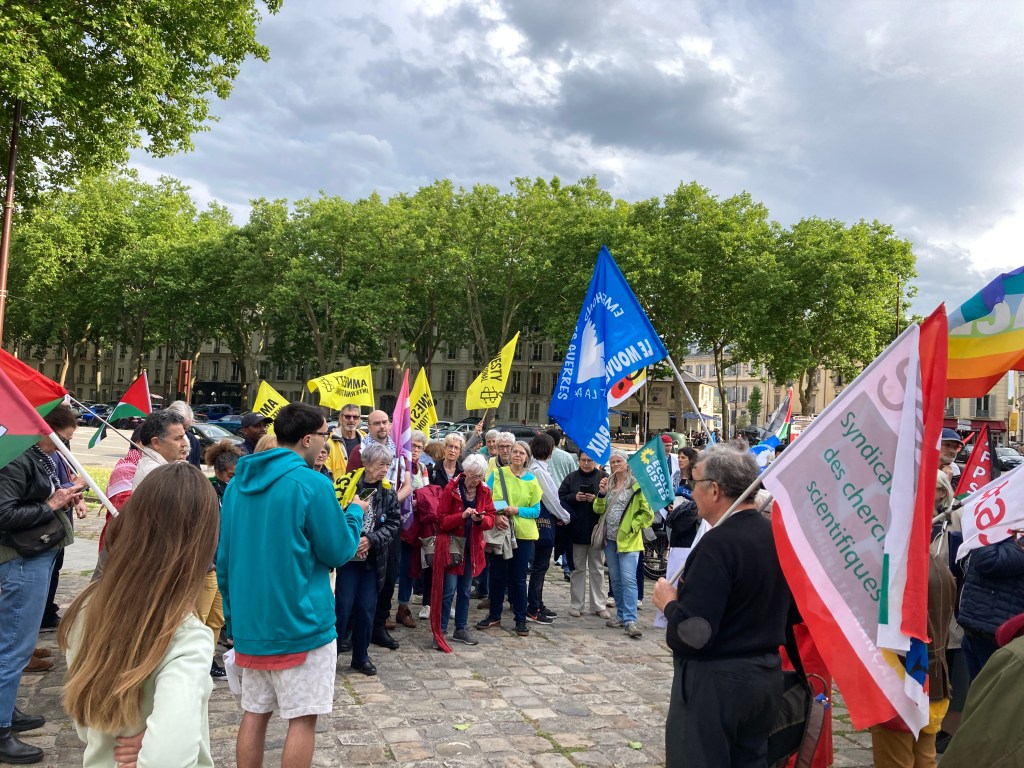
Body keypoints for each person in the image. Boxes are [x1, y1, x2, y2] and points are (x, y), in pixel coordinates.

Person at [217, 402, 363, 768]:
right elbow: (338, 550)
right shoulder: (312, 484)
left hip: (252, 622)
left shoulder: (236, 486)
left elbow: (225, 560)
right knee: (302, 720)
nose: (327, 444)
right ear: (307, 439)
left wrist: (233, 621)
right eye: (326, 436)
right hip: (301, 623)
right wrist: (354, 514)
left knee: (254, 712)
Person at [59, 463, 219, 767]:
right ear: (202, 541)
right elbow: (169, 758)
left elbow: (85, 722)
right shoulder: (186, 637)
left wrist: (153, 737)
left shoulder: (88, 606)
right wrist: (159, 742)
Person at [651, 445, 793, 768]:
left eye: (695, 482)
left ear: (714, 490)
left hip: (717, 685)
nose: (691, 491)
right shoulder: (774, 534)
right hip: (765, 677)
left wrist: (668, 604)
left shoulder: (717, 544)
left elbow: (694, 634)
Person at [0, 405, 85, 764]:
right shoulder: (16, 458)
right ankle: (1, 729)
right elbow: (4, 513)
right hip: (21, 559)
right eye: (61, 439)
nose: (64, 446)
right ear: (42, 429)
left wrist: (66, 494)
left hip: (37, 554)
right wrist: (53, 503)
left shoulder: (38, 456)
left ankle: (7, 709)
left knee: (17, 643)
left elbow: (38, 496)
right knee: (13, 646)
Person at [869, 471, 958, 768]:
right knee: (925, 760)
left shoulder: (902, 570)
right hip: (932, 680)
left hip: (904, 681)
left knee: (896, 761)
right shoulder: (934, 564)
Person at [334, 441, 401, 676]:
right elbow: (335, 516)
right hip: (347, 560)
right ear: (366, 463)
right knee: (342, 609)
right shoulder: (347, 485)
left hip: (373, 560)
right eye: (380, 465)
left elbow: (393, 523)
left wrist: (371, 540)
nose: (384, 470)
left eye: (387, 465)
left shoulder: (388, 492)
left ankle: (360, 657)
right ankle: (331, 656)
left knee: (366, 609)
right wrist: (354, 541)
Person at [430, 454, 496, 650]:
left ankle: (461, 627)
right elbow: (441, 520)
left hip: (472, 548)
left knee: (465, 590)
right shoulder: (451, 489)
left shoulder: (484, 490)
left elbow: (491, 518)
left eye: (480, 476)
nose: (476, 480)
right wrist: (462, 516)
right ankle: (440, 630)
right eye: (474, 476)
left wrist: (481, 520)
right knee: (448, 591)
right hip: (452, 548)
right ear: (465, 472)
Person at [477, 441, 542, 637]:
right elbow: (485, 499)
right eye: (515, 451)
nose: (517, 455)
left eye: (522, 453)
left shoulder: (532, 481)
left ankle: (520, 619)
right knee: (497, 575)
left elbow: (536, 511)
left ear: (527, 457)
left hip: (523, 535)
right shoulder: (497, 474)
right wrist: (496, 516)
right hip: (501, 531)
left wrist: (517, 510)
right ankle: (494, 614)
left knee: (519, 578)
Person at [39, 405, 89, 632]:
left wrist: (77, 496)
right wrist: (74, 486)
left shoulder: (55, 453)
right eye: (62, 439)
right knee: (40, 580)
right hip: (40, 531)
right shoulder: (37, 455)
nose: (63, 445)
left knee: (52, 572)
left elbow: (59, 482)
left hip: (56, 526)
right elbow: (47, 492)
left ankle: (44, 616)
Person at [594, 449, 652, 638]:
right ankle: (620, 615)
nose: (615, 465)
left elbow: (647, 514)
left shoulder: (636, 486)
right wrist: (601, 495)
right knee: (616, 580)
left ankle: (630, 620)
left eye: (619, 461)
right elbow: (598, 510)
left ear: (627, 464)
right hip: (610, 540)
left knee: (628, 580)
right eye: (612, 462)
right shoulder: (609, 484)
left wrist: (631, 527)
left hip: (628, 541)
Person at [956, 530, 1024, 681]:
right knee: (975, 693)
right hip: (975, 631)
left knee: (991, 693)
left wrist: (987, 529)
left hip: (995, 638)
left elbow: (988, 559)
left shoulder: (1011, 534)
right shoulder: (1007, 532)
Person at [204, 440, 243, 678]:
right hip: (208, 564)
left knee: (218, 617)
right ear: (219, 472)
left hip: (226, 562)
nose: (234, 479)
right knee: (202, 614)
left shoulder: (238, 491)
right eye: (230, 475)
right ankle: (198, 660)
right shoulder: (207, 489)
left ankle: (209, 659)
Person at [559, 451, 609, 618]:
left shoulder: (603, 477)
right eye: (583, 460)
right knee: (577, 570)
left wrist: (596, 499)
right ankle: (576, 604)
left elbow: (611, 500)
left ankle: (599, 605)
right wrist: (575, 497)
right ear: (578, 461)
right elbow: (560, 498)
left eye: (590, 460)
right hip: (576, 531)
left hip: (596, 531)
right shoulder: (571, 478)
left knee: (597, 569)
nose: (586, 463)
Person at [526, 433, 570, 624]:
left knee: (541, 567)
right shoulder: (538, 471)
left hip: (544, 521)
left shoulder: (540, 469)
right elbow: (551, 499)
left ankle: (538, 603)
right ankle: (533, 607)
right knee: (539, 567)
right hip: (542, 523)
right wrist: (565, 517)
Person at [395, 431, 432, 628]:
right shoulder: (398, 465)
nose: (416, 450)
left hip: (414, 526)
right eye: (413, 446)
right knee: (391, 567)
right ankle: (382, 611)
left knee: (409, 567)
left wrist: (419, 501)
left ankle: (403, 607)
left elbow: (426, 492)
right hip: (395, 523)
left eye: (419, 447)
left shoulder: (423, 468)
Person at [134, 409, 190, 488]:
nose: (185, 443)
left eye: (183, 437)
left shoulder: (160, 468)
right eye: (178, 438)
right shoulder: (157, 474)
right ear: (156, 443)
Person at [325, 403, 364, 477]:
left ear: (359, 420)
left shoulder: (366, 441)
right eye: (347, 417)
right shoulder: (329, 442)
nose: (351, 420)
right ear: (340, 418)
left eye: (355, 417)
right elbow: (326, 471)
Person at [167, 399, 203, 467]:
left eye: (186, 428)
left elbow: (196, 470)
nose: (183, 432)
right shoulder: (160, 440)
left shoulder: (193, 441)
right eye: (180, 427)